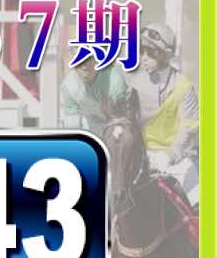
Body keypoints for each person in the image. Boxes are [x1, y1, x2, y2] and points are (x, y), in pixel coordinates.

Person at [129, 23, 199, 206]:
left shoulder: (184, 86)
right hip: (143, 159)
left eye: (150, 52)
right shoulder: (135, 84)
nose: (144, 57)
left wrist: (170, 155)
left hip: (179, 161)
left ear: (164, 54)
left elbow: (189, 128)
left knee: (200, 201)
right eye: (142, 50)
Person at [59, 60, 131, 136]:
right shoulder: (69, 86)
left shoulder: (114, 80)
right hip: (91, 120)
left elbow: (120, 120)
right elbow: (72, 126)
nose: (84, 66)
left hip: (117, 117)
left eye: (88, 59)